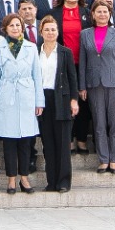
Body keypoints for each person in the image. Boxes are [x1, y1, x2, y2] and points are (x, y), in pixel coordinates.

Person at [0, 17, 43, 193]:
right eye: (11, 25)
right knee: (9, 141)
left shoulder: (31, 47)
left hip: (26, 94)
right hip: (6, 93)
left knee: (25, 140)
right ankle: (11, 179)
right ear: (5, 28)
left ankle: (24, 177)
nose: (15, 28)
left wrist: (39, 101)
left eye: (18, 25)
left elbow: (37, 75)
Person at [78, 0, 115, 175]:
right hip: (94, 84)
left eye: (105, 12)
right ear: (92, 14)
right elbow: (83, 61)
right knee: (99, 123)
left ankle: (114, 160)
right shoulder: (85, 34)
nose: (102, 15)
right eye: (98, 12)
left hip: (114, 83)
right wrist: (82, 86)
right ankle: (103, 159)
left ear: (110, 14)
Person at [36, 17, 78, 193]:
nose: (50, 33)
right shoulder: (34, 52)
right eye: (47, 29)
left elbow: (72, 78)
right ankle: (51, 181)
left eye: (53, 29)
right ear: (41, 32)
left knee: (62, 142)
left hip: (61, 98)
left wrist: (74, 100)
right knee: (48, 142)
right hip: (42, 99)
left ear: (58, 32)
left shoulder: (65, 52)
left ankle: (63, 181)